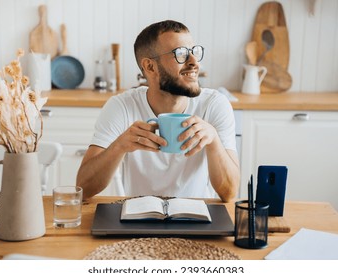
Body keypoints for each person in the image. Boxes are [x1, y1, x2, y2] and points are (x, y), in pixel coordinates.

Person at [76, 20, 240, 201]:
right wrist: (119, 146)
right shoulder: (121, 106)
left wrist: (214, 140)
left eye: (194, 52)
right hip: (140, 219)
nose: (194, 62)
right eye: (181, 54)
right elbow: (83, 188)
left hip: (198, 220)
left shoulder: (214, 104)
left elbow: (230, 193)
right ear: (150, 67)